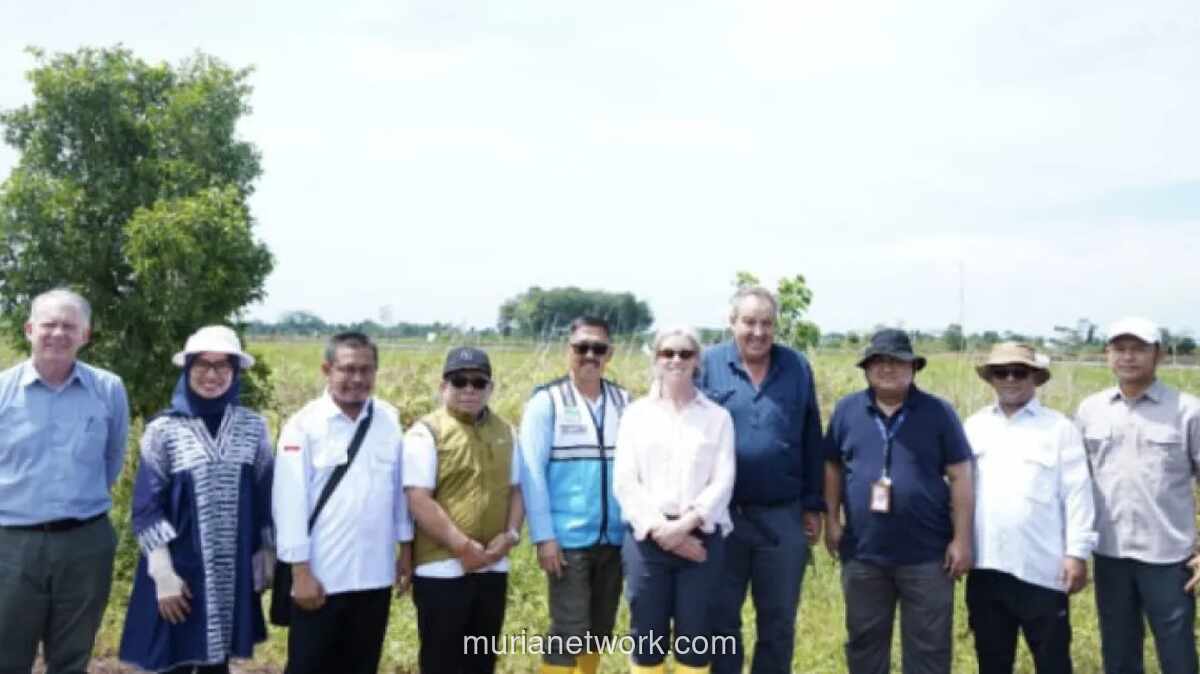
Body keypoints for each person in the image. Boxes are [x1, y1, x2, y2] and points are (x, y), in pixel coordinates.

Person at [119, 325, 275, 673]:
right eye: (202, 365)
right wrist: (162, 572)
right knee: (169, 660)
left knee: (217, 661)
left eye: (223, 366)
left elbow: (265, 493)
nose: (212, 375)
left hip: (230, 572)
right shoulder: (164, 430)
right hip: (179, 573)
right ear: (188, 369)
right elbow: (146, 506)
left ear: (235, 373)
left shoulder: (253, 428)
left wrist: (266, 550)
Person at [824, 328, 974, 674]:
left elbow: (961, 475)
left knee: (929, 648)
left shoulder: (939, 413)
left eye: (897, 361)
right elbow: (831, 465)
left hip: (927, 556)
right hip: (863, 553)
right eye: (879, 361)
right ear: (866, 368)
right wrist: (832, 520)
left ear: (913, 368)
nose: (887, 369)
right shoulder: (847, 411)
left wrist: (962, 539)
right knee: (864, 642)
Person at [0, 288, 131, 674]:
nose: (58, 333)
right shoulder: (2, 390)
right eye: (49, 324)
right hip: (12, 545)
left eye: (69, 326)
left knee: (72, 658)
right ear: (29, 329)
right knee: (6, 655)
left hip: (85, 544)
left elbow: (112, 460)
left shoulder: (108, 389)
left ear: (85, 335)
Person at [698, 287, 824, 674]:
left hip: (782, 517)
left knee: (779, 619)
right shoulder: (706, 364)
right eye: (749, 322)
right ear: (732, 322)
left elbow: (811, 436)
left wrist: (813, 504)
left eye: (766, 323)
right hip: (721, 517)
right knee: (720, 618)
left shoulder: (797, 367)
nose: (757, 332)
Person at [273, 331, 413, 674]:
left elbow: (398, 495)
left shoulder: (389, 421)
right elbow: (288, 506)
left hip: (374, 577)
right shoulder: (302, 426)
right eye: (347, 369)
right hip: (321, 579)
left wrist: (406, 552)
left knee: (362, 667)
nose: (357, 379)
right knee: (309, 667)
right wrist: (300, 573)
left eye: (366, 370)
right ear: (327, 369)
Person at [1075, 317, 1200, 674]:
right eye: (1120, 349)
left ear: (1158, 354)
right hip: (1110, 552)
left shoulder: (1188, 410)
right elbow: (1077, 483)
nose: (1128, 357)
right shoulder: (1090, 410)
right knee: (1118, 652)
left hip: (1168, 557)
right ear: (1107, 355)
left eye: (1139, 349)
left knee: (1177, 653)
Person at [964, 342, 1096, 674]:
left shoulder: (1059, 428)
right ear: (991, 378)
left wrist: (1077, 553)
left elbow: (1078, 493)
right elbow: (958, 490)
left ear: (1034, 377)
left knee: (1052, 662)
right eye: (1001, 372)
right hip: (986, 565)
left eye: (1019, 372)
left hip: (1042, 568)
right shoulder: (974, 426)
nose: (1010, 379)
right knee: (992, 662)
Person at [613, 326, 736, 674]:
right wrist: (661, 530)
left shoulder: (717, 417)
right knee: (647, 637)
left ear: (698, 360)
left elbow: (723, 481)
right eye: (667, 353)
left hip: (701, 538)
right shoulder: (635, 415)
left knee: (695, 638)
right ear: (655, 359)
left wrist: (683, 527)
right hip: (646, 540)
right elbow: (625, 481)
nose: (676, 360)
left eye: (685, 353)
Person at [520, 317, 630, 674]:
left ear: (609, 353)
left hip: (614, 538)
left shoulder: (623, 401)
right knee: (568, 631)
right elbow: (532, 474)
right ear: (569, 350)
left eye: (598, 348)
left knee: (599, 631)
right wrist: (544, 537)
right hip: (568, 542)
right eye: (581, 347)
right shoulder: (546, 402)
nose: (589, 355)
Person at [405, 346, 525, 674]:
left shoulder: (507, 432)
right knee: (442, 661)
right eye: (459, 381)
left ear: (490, 387)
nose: (469, 389)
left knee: (481, 661)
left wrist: (510, 536)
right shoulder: (425, 432)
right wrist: (462, 547)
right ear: (443, 386)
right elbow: (419, 499)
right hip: (442, 568)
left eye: (478, 382)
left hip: (492, 565)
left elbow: (516, 490)